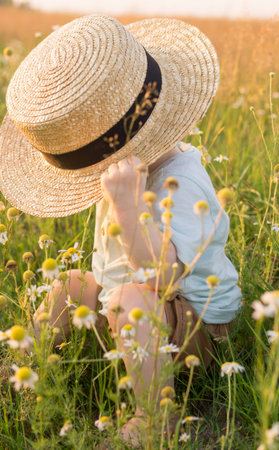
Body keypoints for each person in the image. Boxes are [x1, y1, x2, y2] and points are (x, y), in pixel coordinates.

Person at [0, 14, 242, 446]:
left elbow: (163, 280)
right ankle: (24, 366)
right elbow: (109, 266)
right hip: (132, 311)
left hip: (194, 325)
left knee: (134, 298)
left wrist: (128, 208)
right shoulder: (120, 174)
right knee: (72, 283)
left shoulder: (179, 183)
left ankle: (155, 417)